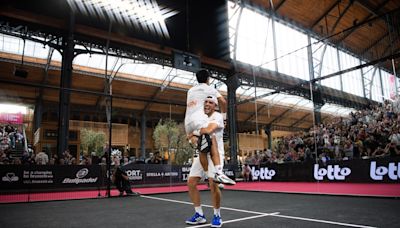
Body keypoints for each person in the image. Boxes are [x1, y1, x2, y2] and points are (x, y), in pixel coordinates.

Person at [184, 69, 234, 185]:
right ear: (208, 79)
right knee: (212, 139)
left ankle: (207, 174)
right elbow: (223, 102)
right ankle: (218, 173)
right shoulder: (209, 88)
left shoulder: (190, 90)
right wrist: (224, 117)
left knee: (201, 148)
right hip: (198, 119)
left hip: (188, 123)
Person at [186, 95, 228, 228]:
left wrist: (195, 134)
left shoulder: (218, 116)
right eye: (205, 102)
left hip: (216, 155)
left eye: (211, 102)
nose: (207, 104)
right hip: (202, 154)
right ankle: (199, 215)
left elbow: (209, 130)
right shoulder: (199, 118)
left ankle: (217, 215)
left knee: (213, 184)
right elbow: (189, 136)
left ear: (215, 106)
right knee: (191, 182)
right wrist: (191, 137)